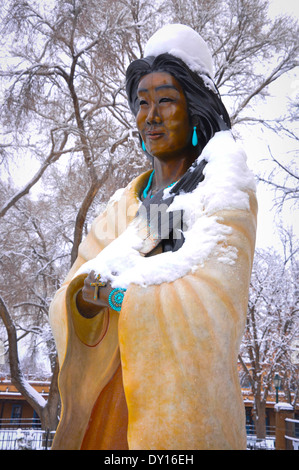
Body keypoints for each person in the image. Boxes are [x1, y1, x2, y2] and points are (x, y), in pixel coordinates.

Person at [49, 24, 257, 450]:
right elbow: (70, 290)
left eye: (166, 101)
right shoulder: (126, 203)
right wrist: (84, 301)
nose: (151, 116)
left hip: (181, 417)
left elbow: (215, 304)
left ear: (194, 108)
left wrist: (122, 299)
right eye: (142, 103)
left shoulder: (221, 189)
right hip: (109, 414)